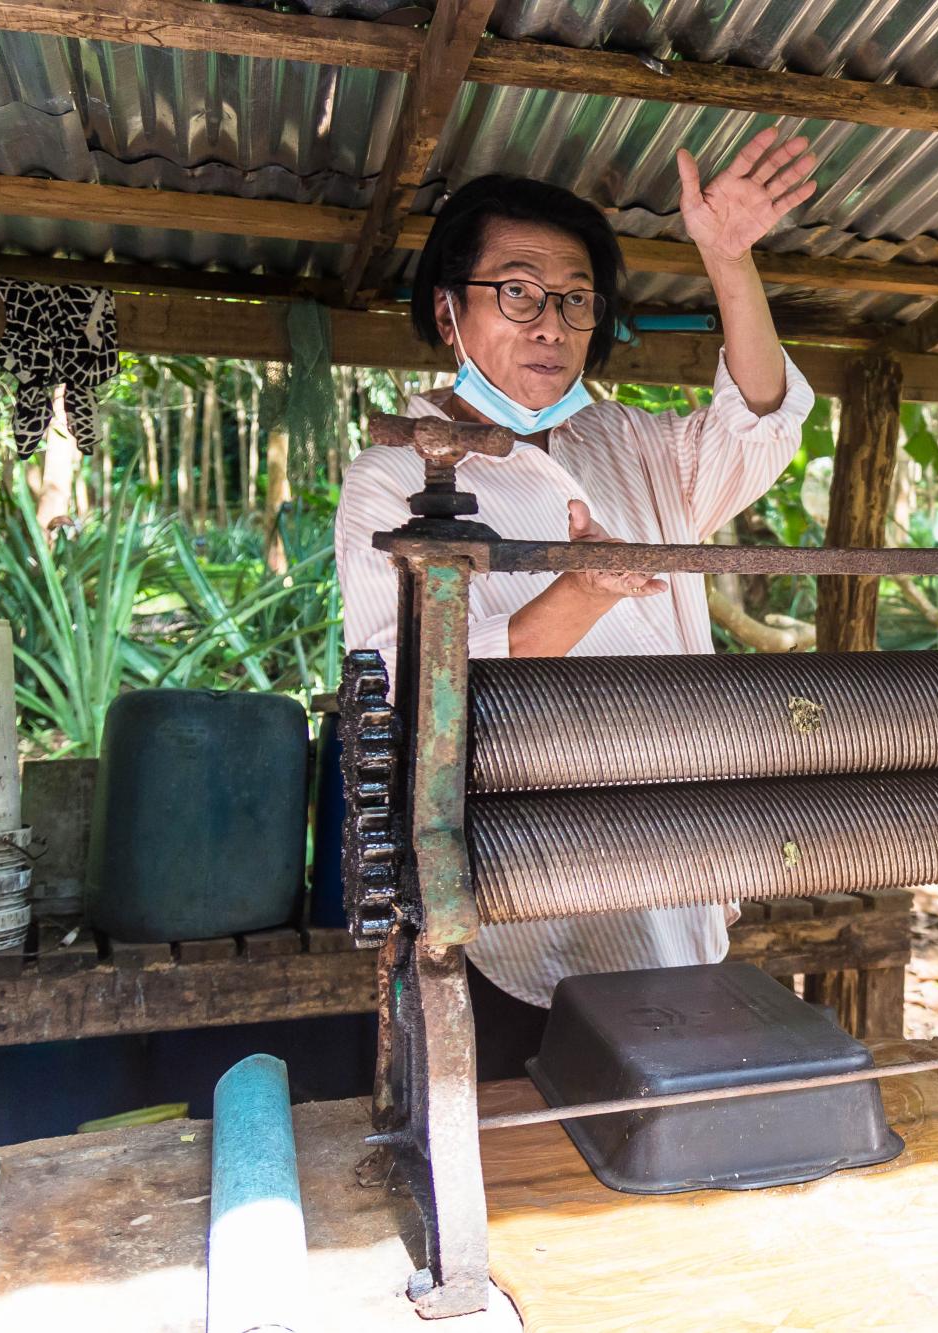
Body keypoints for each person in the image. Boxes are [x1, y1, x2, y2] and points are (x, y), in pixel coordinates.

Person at [335, 130, 821, 1078]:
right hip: (515, 901)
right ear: (448, 310)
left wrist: (728, 259)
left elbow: (757, 428)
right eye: (516, 291)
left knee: (672, 1138)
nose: (550, 324)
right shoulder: (391, 474)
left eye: (575, 300)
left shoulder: (626, 444)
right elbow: (398, 685)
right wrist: (577, 595)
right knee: (536, 1165)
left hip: (676, 869)